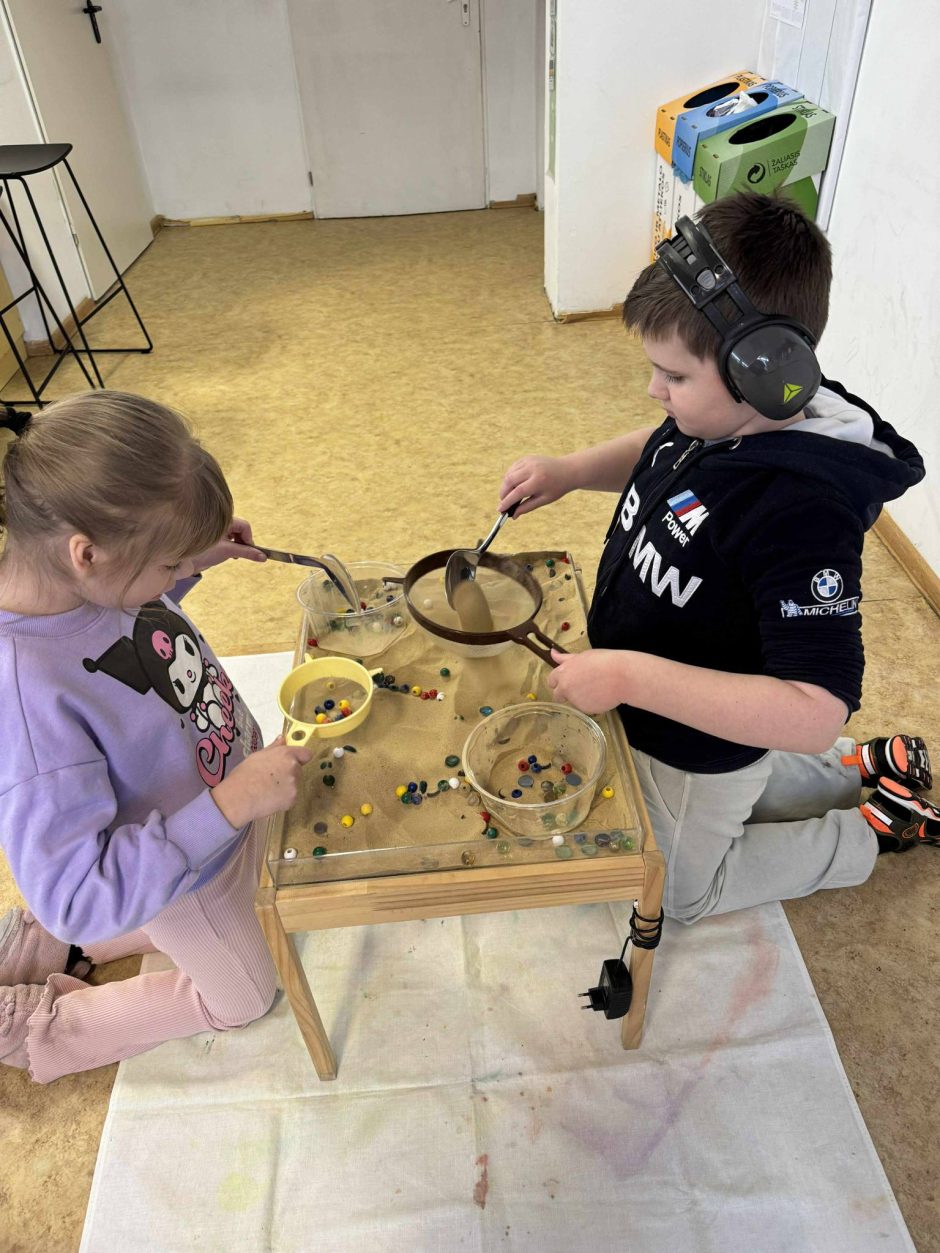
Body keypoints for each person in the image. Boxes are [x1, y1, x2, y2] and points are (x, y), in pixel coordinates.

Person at [498, 192, 936, 923]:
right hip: (667, 712)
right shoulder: (723, 416)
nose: (654, 391)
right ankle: (856, 769)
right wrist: (571, 470)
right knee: (747, 782)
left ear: (763, 370)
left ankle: (869, 831)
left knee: (679, 892)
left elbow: (813, 714)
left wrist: (629, 675)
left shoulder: (801, 511)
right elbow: (660, 449)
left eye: (673, 376)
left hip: (695, 748)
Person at [0, 392, 311, 1082]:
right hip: (186, 868)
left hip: (216, 817)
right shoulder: (26, 699)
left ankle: (50, 945)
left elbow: (129, 643)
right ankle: (31, 1027)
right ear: (88, 554)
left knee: (265, 892)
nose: (173, 577)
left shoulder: (79, 582)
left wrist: (188, 562)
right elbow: (74, 893)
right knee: (244, 995)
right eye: (166, 566)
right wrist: (230, 803)